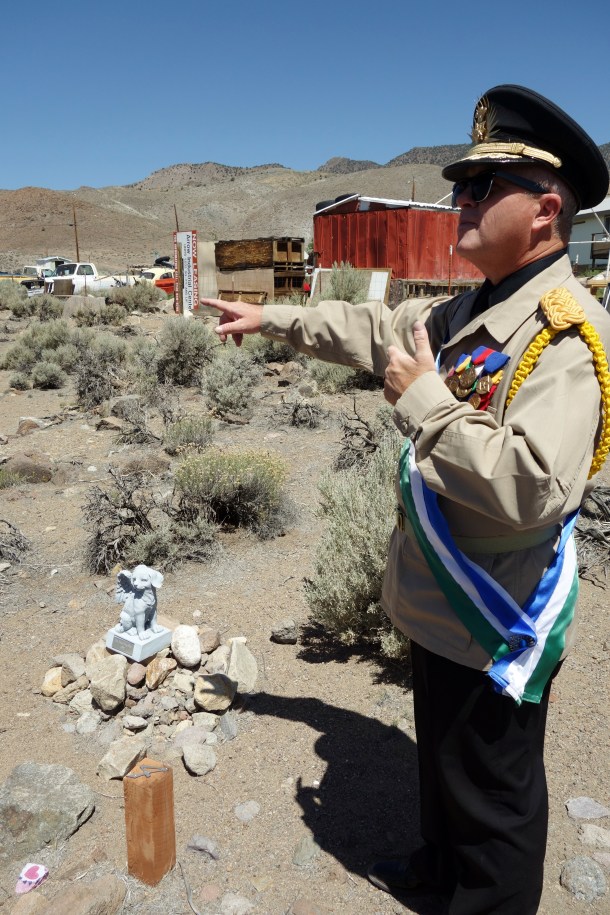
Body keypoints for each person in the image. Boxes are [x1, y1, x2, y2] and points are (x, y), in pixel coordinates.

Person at [201, 84, 610, 914]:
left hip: (493, 614)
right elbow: (367, 330)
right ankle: (438, 866)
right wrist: (273, 316)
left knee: (494, 795)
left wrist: (422, 399)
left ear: (546, 209)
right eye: (462, 183)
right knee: (442, 763)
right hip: (437, 602)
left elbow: (533, 489)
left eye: (481, 186)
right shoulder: (469, 307)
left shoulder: (566, 334)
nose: (458, 199)